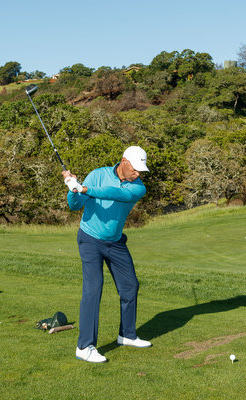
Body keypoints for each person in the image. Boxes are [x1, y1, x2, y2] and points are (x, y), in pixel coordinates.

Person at [63, 146, 152, 363]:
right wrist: (72, 188)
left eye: (141, 170)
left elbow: (115, 193)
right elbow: (74, 206)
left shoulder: (138, 188)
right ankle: (84, 347)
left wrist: (84, 188)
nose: (138, 173)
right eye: (136, 168)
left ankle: (127, 335)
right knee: (93, 288)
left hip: (115, 242)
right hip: (90, 239)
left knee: (130, 285)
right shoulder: (97, 174)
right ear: (123, 161)